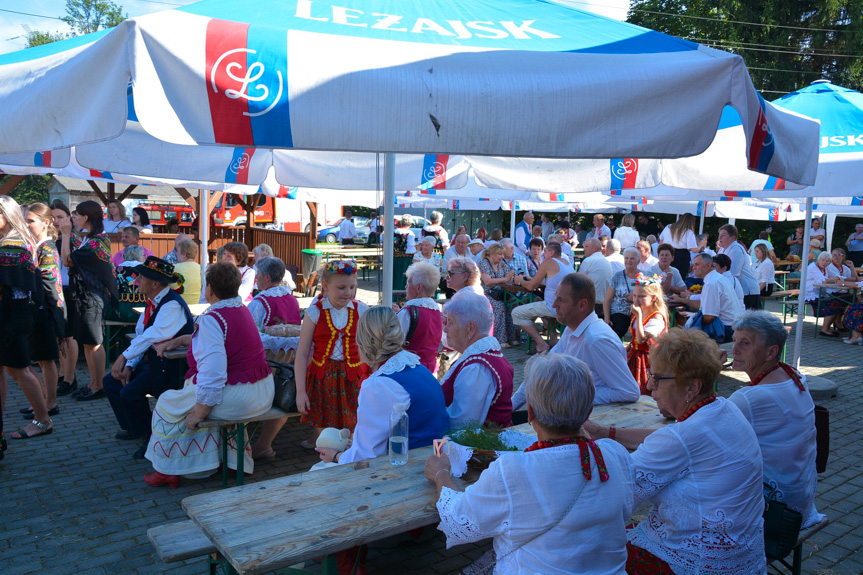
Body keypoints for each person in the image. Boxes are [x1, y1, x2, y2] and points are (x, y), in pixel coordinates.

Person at [425, 353, 634, 575]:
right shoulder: (615, 455)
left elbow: (458, 521)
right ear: (589, 412)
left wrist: (441, 474)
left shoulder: (513, 470)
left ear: (530, 413)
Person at [586, 329, 766, 575]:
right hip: (743, 556)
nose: (649, 386)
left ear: (692, 387)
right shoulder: (725, 409)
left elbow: (615, 496)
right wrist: (606, 432)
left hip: (696, 563)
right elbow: (667, 441)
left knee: (584, 552)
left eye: (658, 378)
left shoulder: (680, 438)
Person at [142, 262, 274, 487]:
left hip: (241, 397)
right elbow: (216, 343)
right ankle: (226, 461)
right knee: (193, 398)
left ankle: (167, 469)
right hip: (261, 391)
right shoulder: (237, 308)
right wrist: (179, 340)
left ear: (210, 289)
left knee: (167, 403)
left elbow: (213, 373)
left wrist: (199, 413)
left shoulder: (214, 318)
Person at [318, 306, 448, 466]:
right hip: (434, 458)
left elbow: (366, 456)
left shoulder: (380, 385)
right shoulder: (416, 367)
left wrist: (335, 456)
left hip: (411, 468)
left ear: (362, 341)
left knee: (318, 471)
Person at [730, 311, 824, 528]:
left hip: (777, 510)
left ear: (771, 351)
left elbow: (697, 428)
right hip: (801, 496)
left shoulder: (751, 398)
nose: (734, 349)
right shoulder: (794, 375)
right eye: (735, 341)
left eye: (745, 343)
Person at [104, 256, 195, 458]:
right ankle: (135, 428)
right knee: (111, 381)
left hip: (171, 367)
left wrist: (122, 358)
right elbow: (142, 336)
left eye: (141, 277)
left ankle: (151, 436)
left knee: (130, 393)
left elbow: (152, 336)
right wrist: (128, 364)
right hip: (154, 362)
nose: (136, 281)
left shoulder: (172, 305)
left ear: (155, 283)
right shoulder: (154, 302)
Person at [513, 273, 640, 407]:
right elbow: (542, 370)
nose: (554, 304)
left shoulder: (596, 340)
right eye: (556, 297)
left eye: (561, 300)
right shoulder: (572, 329)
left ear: (582, 305)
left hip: (592, 420)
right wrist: (510, 406)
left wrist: (571, 396)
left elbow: (629, 392)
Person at [295, 260, 368, 447]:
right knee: (326, 435)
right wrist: (301, 391)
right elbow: (302, 354)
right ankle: (327, 462)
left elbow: (368, 349)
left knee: (354, 427)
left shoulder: (362, 310)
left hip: (352, 379)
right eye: (342, 287)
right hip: (322, 380)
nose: (348, 293)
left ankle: (348, 461)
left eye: (352, 287)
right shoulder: (314, 313)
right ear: (325, 286)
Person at [0, 197, 54, 440]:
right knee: (13, 368)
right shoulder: (13, 239)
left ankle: (43, 420)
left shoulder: (12, 242)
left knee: (18, 368)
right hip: (15, 311)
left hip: (14, 312)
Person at [60, 200, 118, 402]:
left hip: (93, 297)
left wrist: (66, 235)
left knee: (94, 342)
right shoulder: (90, 239)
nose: (73, 218)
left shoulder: (96, 241)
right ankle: (93, 383)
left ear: (86, 217)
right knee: (87, 342)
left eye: (76, 214)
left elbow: (67, 260)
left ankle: (99, 385)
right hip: (86, 296)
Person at [439, 293, 514, 428]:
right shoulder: (486, 357)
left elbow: (462, 426)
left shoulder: (476, 368)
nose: (445, 328)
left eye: (450, 322)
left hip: (480, 447)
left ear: (470, 329)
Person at [21, 203, 66, 422]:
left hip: (46, 309)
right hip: (42, 308)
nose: (27, 224)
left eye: (30, 220)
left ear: (46, 223)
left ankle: (50, 403)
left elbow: (46, 283)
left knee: (46, 360)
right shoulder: (39, 245)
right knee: (41, 359)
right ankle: (44, 400)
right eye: (26, 220)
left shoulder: (47, 247)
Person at [670, 253, 743, 343]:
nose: (693, 268)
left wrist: (693, 324)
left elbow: (709, 317)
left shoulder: (711, 283)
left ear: (708, 265)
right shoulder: (718, 278)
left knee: (683, 339)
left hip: (724, 329)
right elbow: (704, 305)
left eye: (697, 264)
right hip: (733, 326)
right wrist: (681, 300)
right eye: (693, 265)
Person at [511, 242, 569, 354]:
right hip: (566, 306)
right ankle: (553, 342)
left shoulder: (548, 262)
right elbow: (549, 281)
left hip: (553, 307)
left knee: (516, 312)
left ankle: (541, 344)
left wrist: (520, 280)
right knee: (538, 301)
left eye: (545, 251)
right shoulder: (565, 262)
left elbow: (531, 286)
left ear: (551, 253)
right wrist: (530, 278)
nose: (542, 254)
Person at [391, 262, 443, 375]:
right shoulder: (436, 310)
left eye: (408, 283)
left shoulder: (408, 312)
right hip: (431, 369)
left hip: (411, 370)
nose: (405, 287)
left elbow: (393, 342)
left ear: (419, 288)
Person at [51, 200, 79, 396]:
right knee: (60, 336)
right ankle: (63, 373)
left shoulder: (73, 239)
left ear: (69, 218)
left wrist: (65, 236)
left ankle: (70, 378)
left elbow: (69, 263)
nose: (56, 221)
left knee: (68, 336)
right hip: (56, 289)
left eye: (60, 217)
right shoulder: (52, 239)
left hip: (70, 290)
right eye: (52, 218)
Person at [626, 275, 668, 394]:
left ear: (654, 298)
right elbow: (635, 339)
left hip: (648, 360)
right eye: (634, 296)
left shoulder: (656, 317)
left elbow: (641, 339)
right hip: (634, 356)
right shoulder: (640, 312)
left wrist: (638, 316)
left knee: (645, 389)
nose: (636, 300)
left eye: (641, 296)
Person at [478, 243, 518, 348]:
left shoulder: (502, 264)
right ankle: (500, 339)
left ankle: (511, 337)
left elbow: (510, 276)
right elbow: (488, 281)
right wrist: (505, 279)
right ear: (492, 254)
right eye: (499, 254)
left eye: (503, 254)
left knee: (512, 304)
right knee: (499, 306)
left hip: (500, 293)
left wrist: (514, 277)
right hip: (486, 293)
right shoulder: (484, 263)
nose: (502, 257)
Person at [248, 256, 301, 330]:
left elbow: (249, 330)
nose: (256, 276)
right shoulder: (293, 299)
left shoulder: (259, 303)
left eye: (258, 273)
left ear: (267, 278)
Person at [717, 224, 761, 310]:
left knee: (749, 321)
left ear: (732, 238)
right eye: (719, 235)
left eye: (723, 235)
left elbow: (732, 273)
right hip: (738, 289)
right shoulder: (722, 249)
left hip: (747, 291)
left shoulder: (736, 249)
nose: (720, 238)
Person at [805, 251, 846, 338]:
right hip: (811, 294)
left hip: (821, 292)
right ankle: (825, 329)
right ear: (818, 259)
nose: (824, 262)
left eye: (827, 261)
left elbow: (835, 275)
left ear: (830, 262)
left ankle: (836, 324)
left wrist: (839, 278)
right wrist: (836, 279)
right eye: (823, 260)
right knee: (833, 303)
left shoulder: (826, 268)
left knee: (841, 301)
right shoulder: (812, 267)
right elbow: (823, 280)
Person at [604, 247, 642, 338]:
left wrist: (635, 297)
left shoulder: (644, 277)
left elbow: (650, 297)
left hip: (639, 311)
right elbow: (607, 300)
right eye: (626, 258)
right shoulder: (617, 276)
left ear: (638, 261)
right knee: (619, 326)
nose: (629, 261)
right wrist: (607, 319)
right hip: (619, 311)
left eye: (632, 258)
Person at [577, 238, 612, 313]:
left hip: (591, 305)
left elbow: (578, 282)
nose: (584, 249)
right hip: (605, 306)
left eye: (586, 247)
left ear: (595, 248)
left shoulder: (588, 261)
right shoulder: (606, 261)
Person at [658, 213, 698, 278]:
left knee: (665, 275)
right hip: (681, 256)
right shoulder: (688, 232)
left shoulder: (668, 227)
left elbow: (661, 241)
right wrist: (701, 245)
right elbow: (694, 249)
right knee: (679, 278)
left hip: (667, 252)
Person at [172, 238, 202, 306]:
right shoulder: (201, 269)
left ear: (184, 254)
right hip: (197, 308)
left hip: (179, 307)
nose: (176, 254)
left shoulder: (174, 268)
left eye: (178, 252)